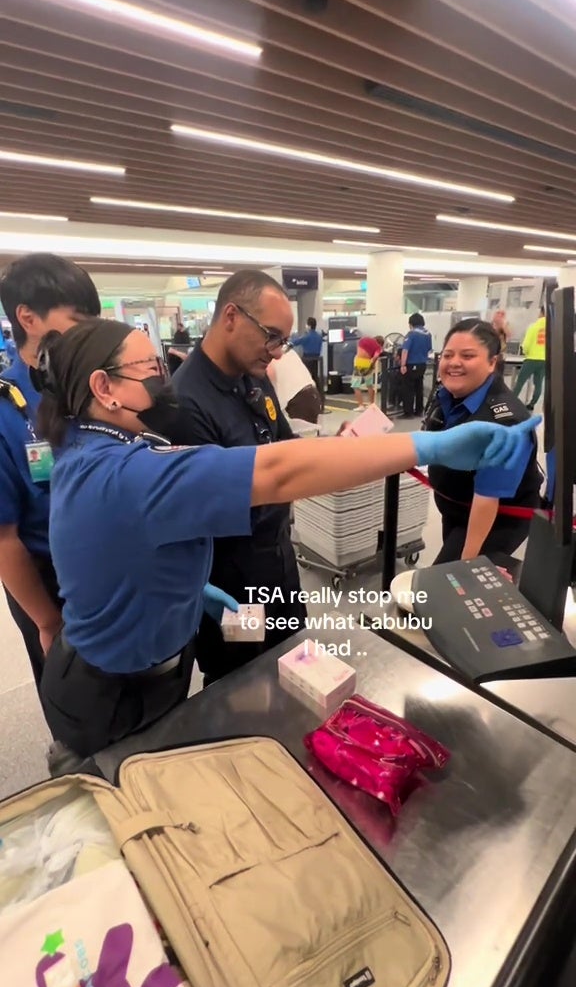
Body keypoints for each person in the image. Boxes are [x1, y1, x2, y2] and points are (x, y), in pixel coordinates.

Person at [35, 318, 537, 758]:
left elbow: (121, 544)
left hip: (148, 661)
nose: (164, 380)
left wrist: (185, 590)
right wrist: (426, 445)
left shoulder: (94, 448)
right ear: (104, 388)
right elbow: (276, 471)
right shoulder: (125, 472)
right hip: (111, 695)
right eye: (149, 370)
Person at [170, 270, 305, 682]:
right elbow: (219, 510)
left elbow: (283, 441)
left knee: (295, 663)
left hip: (278, 561)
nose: (277, 352)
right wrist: (292, 478)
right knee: (244, 685)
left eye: (283, 340)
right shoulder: (185, 402)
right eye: (271, 336)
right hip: (233, 585)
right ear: (231, 315)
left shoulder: (252, 378)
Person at [0, 253, 100, 687]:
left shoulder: (95, 386)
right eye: (78, 319)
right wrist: (47, 622)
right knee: (73, 698)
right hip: (49, 581)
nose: (90, 333)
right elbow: (4, 540)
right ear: (28, 318)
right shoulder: (7, 410)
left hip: (107, 565)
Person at [422, 319, 542, 565]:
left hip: (496, 518)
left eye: (467, 356)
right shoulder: (447, 394)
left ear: (492, 363)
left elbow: (487, 499)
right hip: (457, 506)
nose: (454, 363)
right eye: (448, 355)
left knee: (451, 582)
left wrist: (467, 562)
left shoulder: (507, 424)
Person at [267, 347, 322, 425]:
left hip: (299, 398)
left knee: (299, 434)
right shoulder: (283, 347)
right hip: (310, 394)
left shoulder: (268, 351)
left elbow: (270, 373)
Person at [513, 307, 546, 411]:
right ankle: (532, 404)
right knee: (539, 383)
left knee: (520, 382)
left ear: (541, 312)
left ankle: (511, 402)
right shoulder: (553, 328)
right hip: (544, 360)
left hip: (531, 359)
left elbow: (526, 345)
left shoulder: (533, 326)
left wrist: (527, 353)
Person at [400, 313, 432, 418]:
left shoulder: (412, 334)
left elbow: (405, 350)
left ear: (411, 323)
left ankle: (408, 412)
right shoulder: (428, 334)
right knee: (419, 388)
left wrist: (402, 365)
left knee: (408, 388)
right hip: (422, 364)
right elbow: (429, 350)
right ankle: (419, 410)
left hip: (411, 364)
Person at [290, 316, 324, 409]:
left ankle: (307, 400)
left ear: (308, 325)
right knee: (315, 377)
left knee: (305, 378)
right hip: (316, 359)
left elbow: (295, 342)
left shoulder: (307, 336)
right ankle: (320, 399)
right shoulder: (319, 336)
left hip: (307, 359)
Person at [350, 334, 385, 410]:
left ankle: (361, 405)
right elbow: (376, 356)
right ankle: (371, 404)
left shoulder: (364, 339)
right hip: (368, 364)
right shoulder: (378, 348)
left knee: (355, 385)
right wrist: (372, 363)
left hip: (359, 364)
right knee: (369, 385)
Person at [491, 309, 511, 375]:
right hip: (490, 354)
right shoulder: (490, 326)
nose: (500, 315)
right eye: (498, 313)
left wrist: (503, 324)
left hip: (500, 355)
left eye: (502, 314)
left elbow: (509, 334)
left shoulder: (505, 326)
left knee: (498, 375)